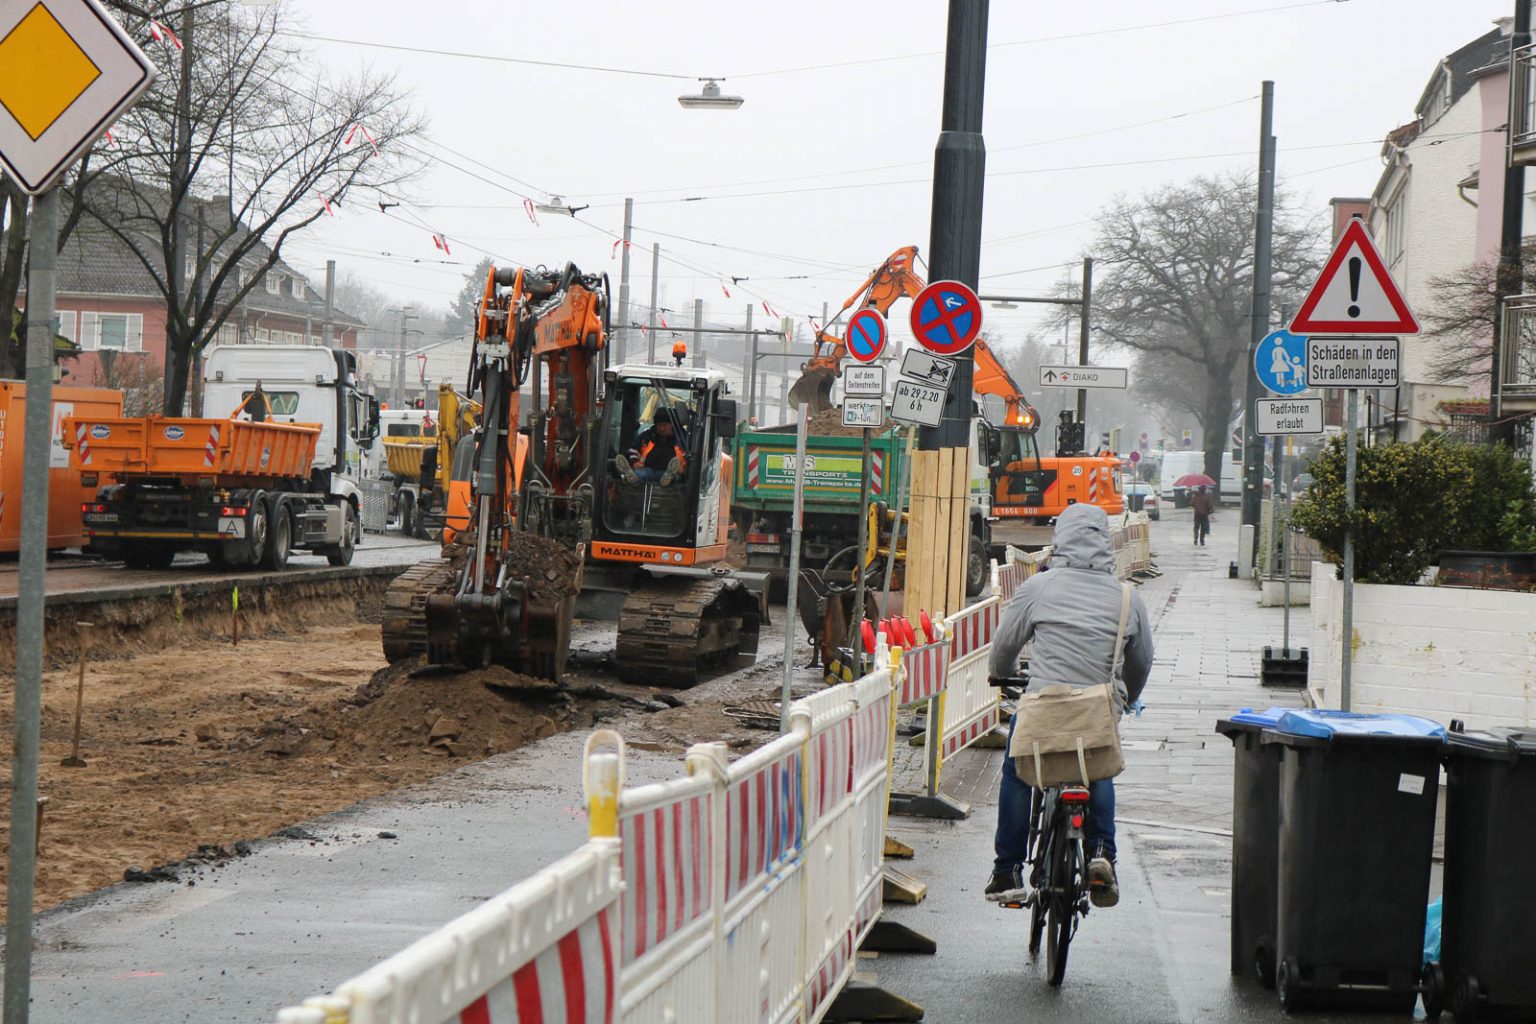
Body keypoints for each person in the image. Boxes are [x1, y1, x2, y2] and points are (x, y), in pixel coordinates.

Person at [985, 503, 1154, 909]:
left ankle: (1008, 870)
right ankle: (1101, 853)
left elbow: (1004, 647)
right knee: (1099, 767)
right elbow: (1142, 661)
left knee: (1016, 770)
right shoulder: (1128, 598)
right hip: (1096, 712)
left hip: (1043, 710)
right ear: (1105, 542)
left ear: (1059, 538)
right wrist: (1125, 695)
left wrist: (1002, 674)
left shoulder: (1038, 587)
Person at [615, 407, 688, 486]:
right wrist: (634, 462)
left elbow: (693, 459)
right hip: (649, 470)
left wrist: (684, 469)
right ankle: (631, 476)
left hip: (672, 472)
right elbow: (632, 451)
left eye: (665, 425)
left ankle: (669, 477)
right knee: (640, 473)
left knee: (676, 477)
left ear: (672, 424)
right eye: (659, 425)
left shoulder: (684, 439)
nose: (662, 428)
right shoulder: (647, 436)